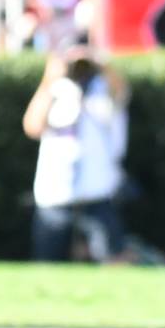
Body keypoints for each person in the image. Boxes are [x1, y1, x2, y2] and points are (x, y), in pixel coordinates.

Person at [23, 40, 131, 264]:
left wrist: (100, 63)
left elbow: (121, 91)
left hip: (97, 190)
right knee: (48, 261)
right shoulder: (56, 91)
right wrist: (50, 78)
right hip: (56, 191)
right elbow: (32, 126)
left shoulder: (103, 88)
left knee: (113, 258)